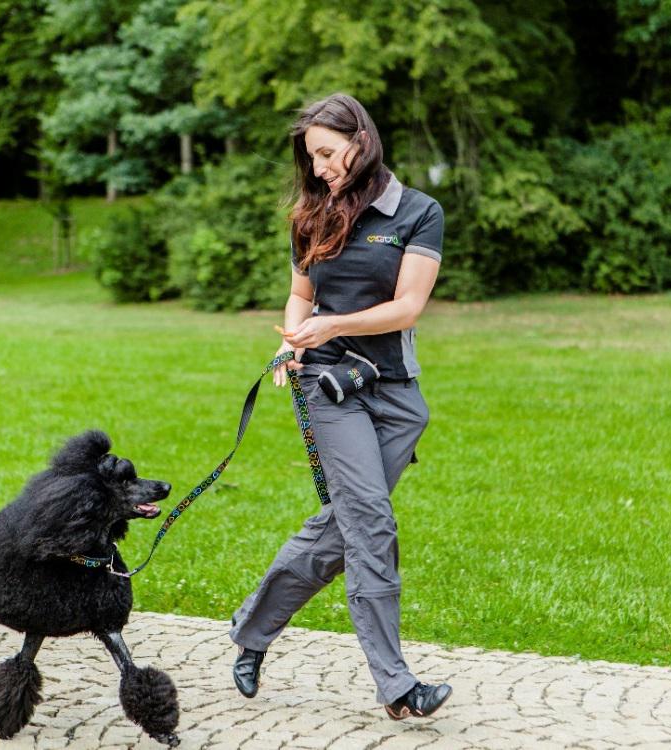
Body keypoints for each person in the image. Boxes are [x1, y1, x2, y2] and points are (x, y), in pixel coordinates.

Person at [228, 93, 452, 720]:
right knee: (371, 525)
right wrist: (293, 341)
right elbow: (300, 298)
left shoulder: (417, 212)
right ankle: (398, 684)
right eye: (312, 158)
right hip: (330, 387)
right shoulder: (310, 215)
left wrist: (331, 325)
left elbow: (407, 307)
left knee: (340, 530)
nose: (320, 166)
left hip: (398, 395)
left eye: (327, 152)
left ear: (362, 138)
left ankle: (250, 632)